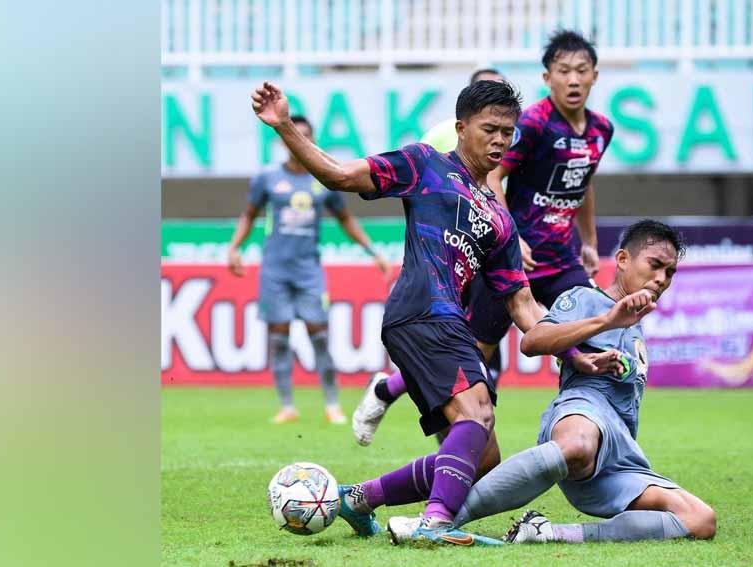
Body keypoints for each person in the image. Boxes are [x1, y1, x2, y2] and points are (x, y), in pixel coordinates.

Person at [250, 79, 622, 546]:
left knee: (480, 458)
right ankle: (435, 521)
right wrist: (286, 126)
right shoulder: (423, 164)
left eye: (508, 133)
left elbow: (524, 308)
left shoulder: (500, 218)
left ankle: (359, 498)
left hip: (448, 323)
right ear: (461, 128)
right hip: (422, 309)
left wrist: (574, 355)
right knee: (478, 411)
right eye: (490, 129)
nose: (500, 141)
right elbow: (341, 176)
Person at [352, 30, 615, 446]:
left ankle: (587, 427)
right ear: (548, 77)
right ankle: (399, 396)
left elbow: (583, 181)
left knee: (592, 330)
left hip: (561, 257)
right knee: (478, 353)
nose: (574, 79)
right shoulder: (528, 125)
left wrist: (589, 241)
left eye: (581, 71)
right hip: (507, 254)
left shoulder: (601, 129)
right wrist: (514, 235)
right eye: (565, 71)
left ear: (595, 76)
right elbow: (490, 178)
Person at [388, 220, 718, 545]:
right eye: (655, 265)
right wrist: (606, 320)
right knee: (576, 445)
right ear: (622, 260)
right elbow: (533, 341)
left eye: (670, 272)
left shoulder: (636, 323)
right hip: (583, 412)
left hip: (621, 450)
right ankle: (439, 520)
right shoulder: (586, 299)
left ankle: (550, 534)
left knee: (701, 520)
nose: (661, 279)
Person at [353, 67, 506, 449]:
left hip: (495, 251)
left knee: (477, 376)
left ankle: (391, 389)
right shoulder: (439, 140)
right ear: (464, 118)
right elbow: (424, 194)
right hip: (452, 267)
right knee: (469, 368)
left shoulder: (510, 140)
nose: (499, 131)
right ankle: (453, 473)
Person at [226, 115, 392, 425]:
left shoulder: (324, 180)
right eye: (292, 136)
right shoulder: (266, 178)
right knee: (278, 337)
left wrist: (374, 252)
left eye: (303, 136)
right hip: (275, 269)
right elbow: (249, 214)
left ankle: (332, 404)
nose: (296, 142)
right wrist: (234, 247)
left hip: (308, 270)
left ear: (310, 140)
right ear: (284, 141)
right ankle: (287, 405)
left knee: (319, 334)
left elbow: (345, 219)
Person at [420, 68, 505, 153]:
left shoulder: (516, 133)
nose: (495, 95)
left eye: (501, 89)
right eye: (487, 89)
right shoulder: (439, 134)